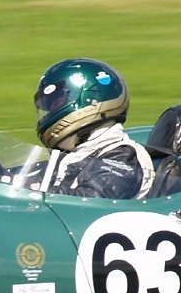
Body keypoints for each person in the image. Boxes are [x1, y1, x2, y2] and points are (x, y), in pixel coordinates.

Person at [33, 57, 153, 199]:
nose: (52, 110)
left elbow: (92, 199)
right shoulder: (74, 154)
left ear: (90, 98)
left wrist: (35, 193)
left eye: (58, 102)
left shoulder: (121, 156)